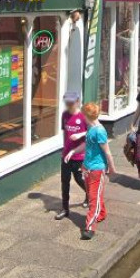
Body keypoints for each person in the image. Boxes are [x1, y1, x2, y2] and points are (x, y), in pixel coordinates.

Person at [81, 102, 116, 240]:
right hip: (87, 167)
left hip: (97, 169)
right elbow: (88, 147)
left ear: (86, 116)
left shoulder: (100, 131)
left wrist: (112, 168)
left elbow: (107, 152)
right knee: (92, 194)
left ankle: (90, 226)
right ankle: (100, 214)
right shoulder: (91, 128)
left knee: (93, 198)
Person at [56, 91, 88, 220]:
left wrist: (81, 134)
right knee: (65, 182)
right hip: (66, 155)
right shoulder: (64, 115)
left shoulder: (84, 117)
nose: (69, 105)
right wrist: (64, 149)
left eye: (71, 102)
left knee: (79, 179)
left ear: (78, 101)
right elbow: (65, 134)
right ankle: (65, 208)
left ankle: (90, 194)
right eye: (67, 102)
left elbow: (92, 133)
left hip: (79, 156)